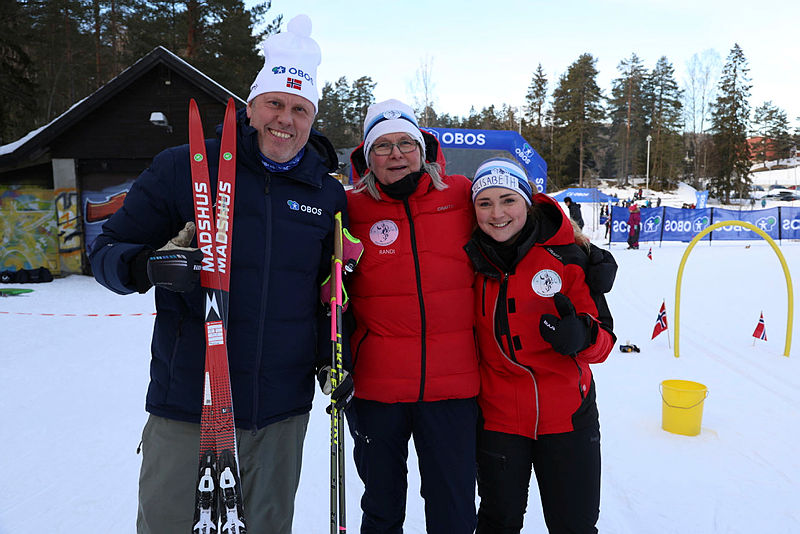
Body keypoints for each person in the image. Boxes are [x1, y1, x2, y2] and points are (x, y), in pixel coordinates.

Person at [89, 15, 352, 534]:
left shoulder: (327, 195)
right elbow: (108, 251)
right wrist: (147, 266)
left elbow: (331, 294)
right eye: (274, 103)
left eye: (300, 109)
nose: (285, 118)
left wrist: (334, 357)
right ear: (250, 107)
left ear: (312, 118)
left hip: (279, 411)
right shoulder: (183, 167)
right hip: (188, 402)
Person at [344, 99, 479, 533]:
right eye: (383, 146)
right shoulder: (348, 208)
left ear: (424, 150)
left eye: (406, 142)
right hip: (376, 389)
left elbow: (517, 213)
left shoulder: (459, 195)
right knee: (382, 508)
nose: (396, 154)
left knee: (453, 508)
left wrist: (579, 251)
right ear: (366, 157)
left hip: (453, 389)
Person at [464, 157, 616, 534]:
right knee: (498, 523)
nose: (497, 213)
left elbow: (604, 341)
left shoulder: (566, 257)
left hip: (567, 418)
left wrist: (581, 336)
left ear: (528, 202)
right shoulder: (467, 260)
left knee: (574, 526)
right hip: (499, 419)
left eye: (508, 200)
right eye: (485, 203)